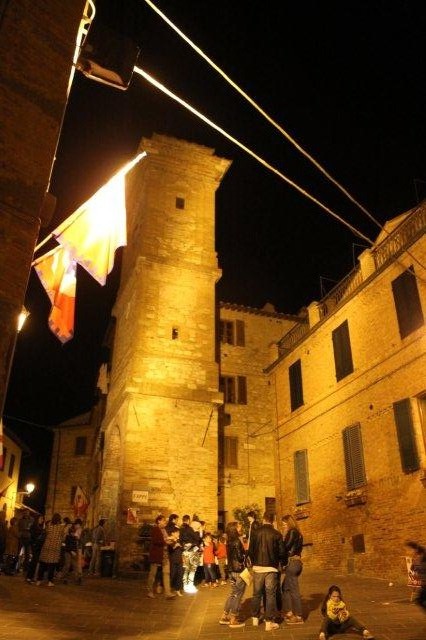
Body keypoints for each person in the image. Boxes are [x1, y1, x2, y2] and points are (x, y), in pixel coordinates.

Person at [248, 512, 287, 631]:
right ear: (273, 520)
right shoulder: (277, 534)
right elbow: (282, 552)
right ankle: (269, 622)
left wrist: (254, 562)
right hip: (271, 568)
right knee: (270, 594)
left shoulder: (255, 533)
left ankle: (255, 618)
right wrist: (282, 563)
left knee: (256, 594)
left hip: (258, 568)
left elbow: (250, 551)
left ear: (263, 519)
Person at [218, 521, 247, 628]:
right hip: (238, 571)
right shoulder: (237, 541)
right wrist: (245, 553)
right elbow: (240, 557)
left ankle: (224, 616)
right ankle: (233, 619)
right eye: (238, 527)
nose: (240, 528)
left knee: (233, 593)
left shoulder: (229, 541)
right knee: (238, 595)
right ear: (234, 529)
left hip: (231, 571)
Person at [281, 514, 304, 624]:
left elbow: (285, 547)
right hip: (296, 563)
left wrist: (282, 540)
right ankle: (289, 612)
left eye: (284, 524)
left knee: (294, 590)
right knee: (285, 587)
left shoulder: (292, 532)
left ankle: (298, 616)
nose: (283, 526)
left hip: (292, 563)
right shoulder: (298, 533)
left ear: (289, 523)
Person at [146, 514, 175, 599]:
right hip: (157, 555)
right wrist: (167, 541)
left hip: (165, 554)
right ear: (158, 521)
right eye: (163, 520)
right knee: (153, 573)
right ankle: (150, 591)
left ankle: (168, 593)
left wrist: (171, 541)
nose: (165, 522)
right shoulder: (155, 529)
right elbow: (157, 541)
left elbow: (165, 540)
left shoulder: (164, 530)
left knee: (166, 573)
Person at [36, 512, 64, 586]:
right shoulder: (61, 528)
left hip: (46, 546)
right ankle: (50, 581)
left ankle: (39, 580)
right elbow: (63, 537)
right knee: (52, 565)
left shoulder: (48, 526)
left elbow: (45, 534)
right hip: (55, 548)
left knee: (42, 564)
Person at [180, 514, 202, 594]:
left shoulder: (180, 529)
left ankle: (184, 585)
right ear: (188, 520)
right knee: (192, 568)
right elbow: (198, 538)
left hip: (184, 551)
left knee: (186, 569)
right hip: (192, 551)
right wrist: (198, 531)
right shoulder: (190, 529)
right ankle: (190, 584)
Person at [405, 540, 426, 611]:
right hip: (424, 584)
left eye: (409, 550)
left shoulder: (423, 555)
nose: (408, 552)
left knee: (420, 601)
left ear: (415, 549)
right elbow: (414, 569)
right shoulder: (417, 558)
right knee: (419, 601)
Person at [166, 514, 183, 596]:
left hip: (179, 559)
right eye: (177, 533)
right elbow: (170, 549)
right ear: (172, 533)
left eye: (178, 532)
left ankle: (177, 589)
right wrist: (175, 545)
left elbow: (181, 548)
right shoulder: (170, 541)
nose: (178, 534)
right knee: (172, 575)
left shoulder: (179, 540)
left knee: (179, 575)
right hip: (173, 559)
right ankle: (168, 589)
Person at [26, 514, 45, 583]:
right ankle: (29, 577)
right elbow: (33, 536)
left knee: (35, 562)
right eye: (40, 519)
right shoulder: (33, 526)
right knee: (33, 561)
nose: (42, 520)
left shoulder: (40, 527)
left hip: (38, 546)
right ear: (37, 519)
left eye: (42, 519)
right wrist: (41, 532)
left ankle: (31, 577)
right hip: (34, 546)